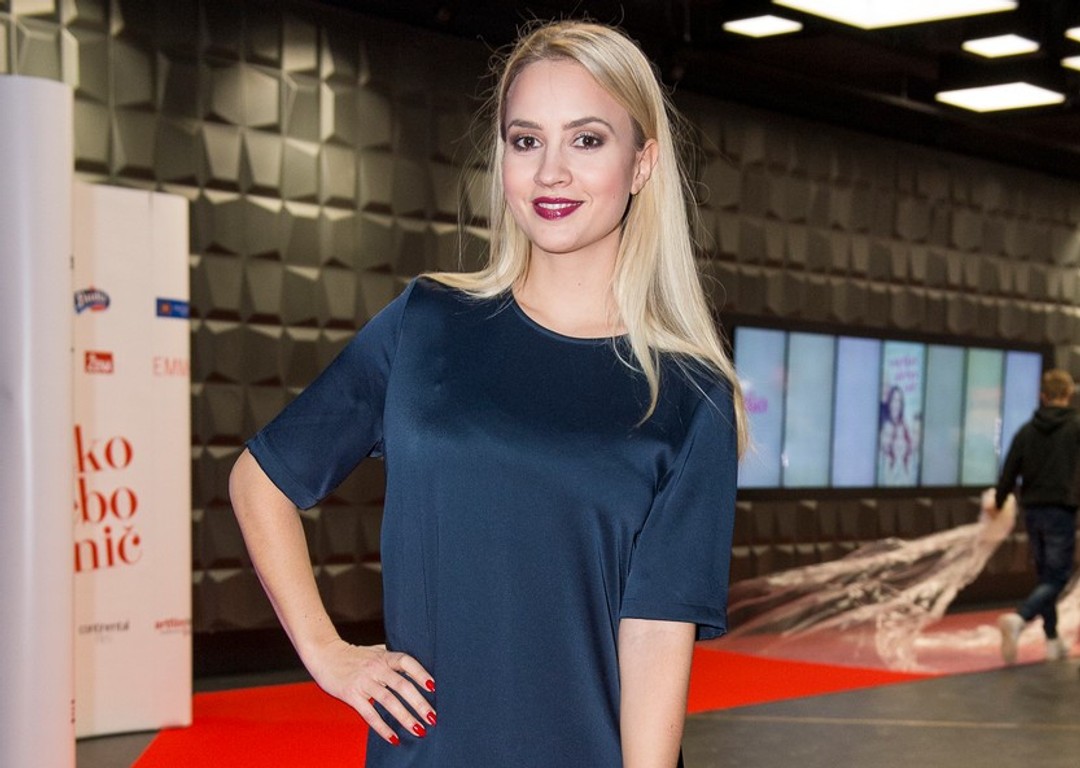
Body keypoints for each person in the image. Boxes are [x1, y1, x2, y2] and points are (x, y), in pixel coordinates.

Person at [229, 20, 746, 768]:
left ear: (642, 163)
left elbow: (656, 637)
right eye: (526, 140)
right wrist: (327, 652)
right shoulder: (426, 325)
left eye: (588, 140)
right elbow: (262, 479)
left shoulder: (690, 395)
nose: (551, 172)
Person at [994, 368, 1080, 664]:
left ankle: (1053, 640)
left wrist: (999, 501)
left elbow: (1009, 471)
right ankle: (1020, 618)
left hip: (1032, 511)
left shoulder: (1026, 431)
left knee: (1046, 576)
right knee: (1057, 577)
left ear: (1042, 396)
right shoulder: (1076, 428)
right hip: (1061, 509)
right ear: (1069, 394)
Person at [879, 384, 915, 486]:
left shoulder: (906, 427)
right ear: (889, 402)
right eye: (894, 400)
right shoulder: (884, 425)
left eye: (899, 401)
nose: (896, 404)